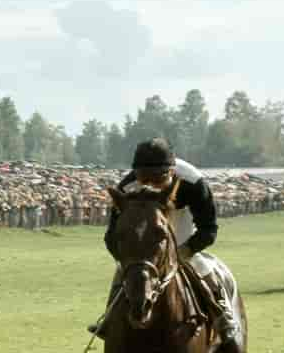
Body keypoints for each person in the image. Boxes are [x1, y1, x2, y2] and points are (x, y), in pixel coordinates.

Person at [90, 136, 240, 341]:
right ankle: (108, 319)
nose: (151, 186)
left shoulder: (193, 183)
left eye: (158, 180)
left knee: (199, 264)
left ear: (172, 171)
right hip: (146, 236)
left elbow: (209, 229)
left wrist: (184, 251)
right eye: (144, 180)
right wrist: (127, 262)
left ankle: (222, 313)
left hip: (182, 224)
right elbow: (111, 237)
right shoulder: (126, 188)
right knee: (124, 273)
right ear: (136, 174)